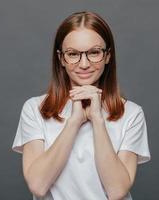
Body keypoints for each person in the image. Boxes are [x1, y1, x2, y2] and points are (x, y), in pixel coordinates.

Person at [10, 11, 151, 200]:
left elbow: (117, 191)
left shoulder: (131, 113)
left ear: (108, 56)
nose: (84, 64)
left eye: (94, 52)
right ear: (61, 58)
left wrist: (98, 120)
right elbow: (38, 185)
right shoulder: (35, 109)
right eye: (73, 54)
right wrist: (74, 121)